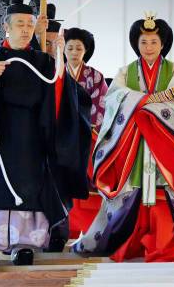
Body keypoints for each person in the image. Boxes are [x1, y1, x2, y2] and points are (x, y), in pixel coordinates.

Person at [73, 14, 174, 262]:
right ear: (137, 44)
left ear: (163, 44)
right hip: (134, 143)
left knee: (165, 194)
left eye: (154, 42)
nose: (148, 48)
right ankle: (130, 241)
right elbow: (114, 99)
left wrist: (143, 104)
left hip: (165, 143)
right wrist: (148, 101)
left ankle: (165, 242)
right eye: (144, 42)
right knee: (133, 194)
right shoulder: (126, 72)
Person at [0, 0, 91, 272]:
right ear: (7, 27)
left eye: (29, 25)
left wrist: (60, 63)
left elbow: (61, 94)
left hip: (31, 139)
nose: (25, 30)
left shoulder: (43, 61)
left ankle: (24, 245)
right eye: (19, 24)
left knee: (30, 190)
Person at [63, 27, 109, 238]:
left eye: (78, 48)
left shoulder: (96, 77)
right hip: (61, 139)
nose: (73, 52)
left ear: (85, 51)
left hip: (87, 137)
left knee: (88, 182)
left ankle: (90, 230)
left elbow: (102, 105)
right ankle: (66, 229)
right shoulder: (56, 72)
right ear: (63, 49)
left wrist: (86, 126)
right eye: (70, 47)